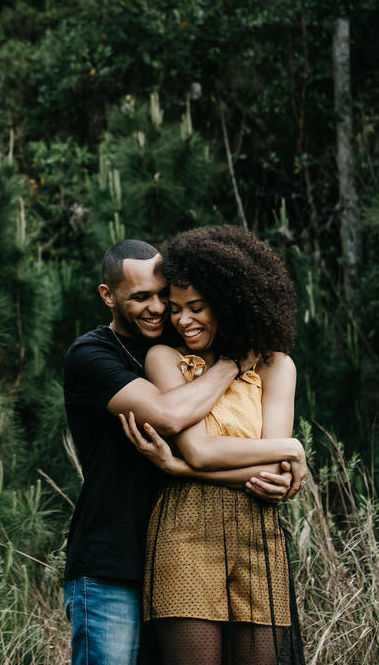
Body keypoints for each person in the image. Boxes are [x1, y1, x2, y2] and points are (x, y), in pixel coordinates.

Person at [62, 239, 302, 665]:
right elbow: (173, 421)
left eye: (163, 297)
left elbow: (262, 463)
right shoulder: (93, 355)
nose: (159, 310)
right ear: (108, 295)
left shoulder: (184, 341)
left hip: (180, 545)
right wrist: (234, 364)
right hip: (113, 563)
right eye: (141, 298)